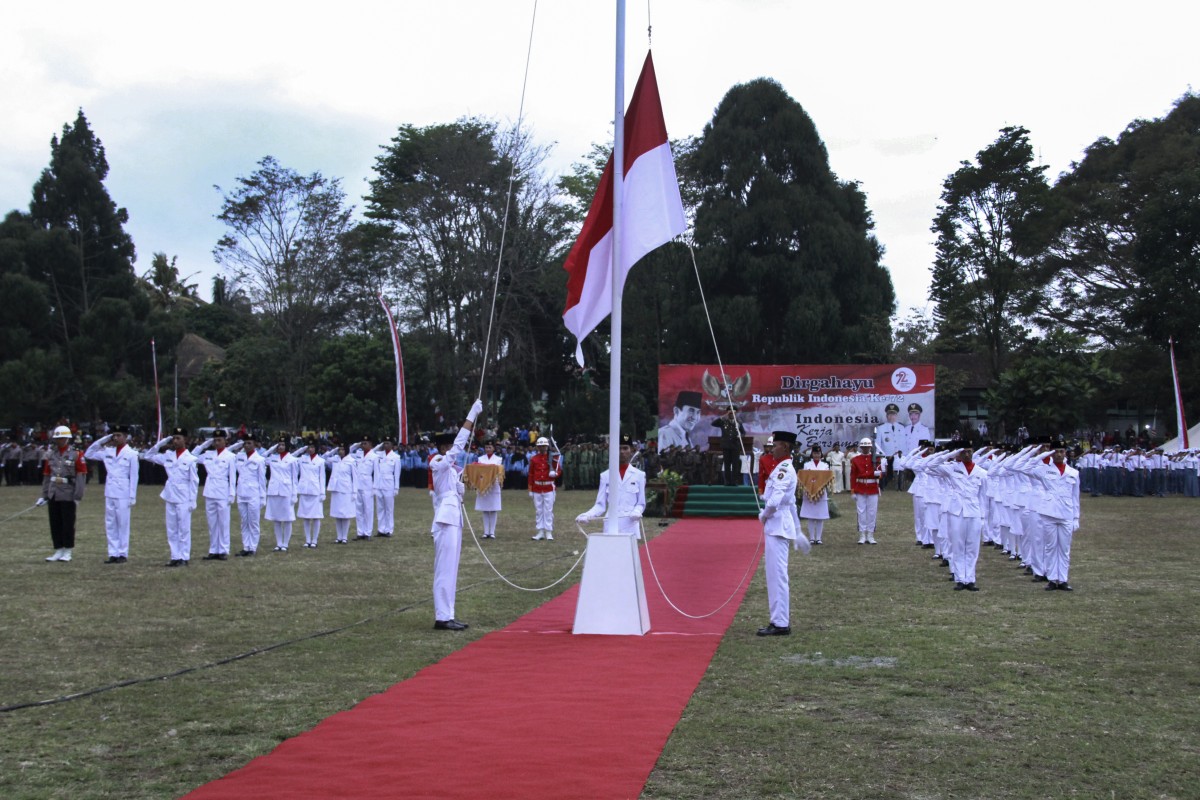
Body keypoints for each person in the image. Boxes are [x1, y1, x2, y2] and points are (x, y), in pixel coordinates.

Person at [429, 399, 483, 631]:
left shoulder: (451, 469)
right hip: (445, 520)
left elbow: (455, 489)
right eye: (448, 447)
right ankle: (442, 616)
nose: (452, 450)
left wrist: (459, 488)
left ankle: (448, 614)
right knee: (444, 569)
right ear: (442, 449)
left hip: (453, 518)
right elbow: (459, 446)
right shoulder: (438, 462)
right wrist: (471, 415)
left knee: (451, 569)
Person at [756, 430, 808, 636]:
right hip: (780, 525)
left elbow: (776, 502)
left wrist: (764, 515)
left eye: (775, 445)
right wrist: (798, 530)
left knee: (777, 576)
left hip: (776, 526)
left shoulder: (784, 468)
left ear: (785, 447)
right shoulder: (783, 467)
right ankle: (778, 620)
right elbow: (791, 503)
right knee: (776, 575)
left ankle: (780, 622)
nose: (772, 448)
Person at [141, 427, 200, 567]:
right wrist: (160, 443)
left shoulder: (191, 459)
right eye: (173, 438)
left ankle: (184, 557)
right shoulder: (168, 455)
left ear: (186, 440)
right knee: (172, 528)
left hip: (184, 496)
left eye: (178, 438)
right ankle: (175, 556)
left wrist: (193, 500)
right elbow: (148, 456)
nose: (175, 441)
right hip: (170, 495)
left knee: (184, 528)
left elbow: (194, 481)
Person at [932, 448, 988, 591]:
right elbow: (931, 464)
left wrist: (982, 517)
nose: (967, 455)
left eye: (969, 451)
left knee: (972, 547)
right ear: (959, 454)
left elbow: (983, 497)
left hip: (974, 512)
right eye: (964, 452)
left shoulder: (981, 472)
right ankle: (959, 578)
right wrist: (951, 453)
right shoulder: (952, 469)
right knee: (957, 546)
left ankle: (970, 579)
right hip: (956, 512)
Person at [83, 425, 139, 563]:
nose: (116, 438)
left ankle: (122, 553)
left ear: (126, 437)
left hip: (123, 492)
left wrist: (132, 495)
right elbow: (88, 453)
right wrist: (104, 439)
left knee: (123, 523)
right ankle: (113, 553)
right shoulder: (108, 451)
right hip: (110, 491)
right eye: (114, 435)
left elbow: (134, 476)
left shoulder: (132, 454)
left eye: (119, 435)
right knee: (110, 523)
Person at [576, 433, 647, 536]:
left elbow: (641, 503)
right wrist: (588, 515)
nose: (622, 452)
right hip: (611, 524)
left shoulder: (639, 475)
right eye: (619, 448)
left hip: (631, 524)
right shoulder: (605, 476)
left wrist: (637, 511)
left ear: (631, 450)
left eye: (625, 448)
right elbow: (600, 505)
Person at [39, 425, 88, 562]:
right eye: (58, 438)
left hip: (68, 492)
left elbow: (81, 475)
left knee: (67, 523)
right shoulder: (51, 453)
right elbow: (47, 475)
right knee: (55, 523)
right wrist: (44, 495)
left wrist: (78, 495)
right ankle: (58, 550)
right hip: (53, 492)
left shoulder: (76, 453)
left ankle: (67, 551)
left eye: (62, 438)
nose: (60, 441)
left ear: (67, 438)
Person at [192, 429, 238, 561]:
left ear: (225, 441)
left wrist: (232, 494)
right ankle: (213, 550)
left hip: (223, 492)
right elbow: (193, 455)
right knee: (212, 523)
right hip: (210, 491)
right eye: (215, 440)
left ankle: (223, 550)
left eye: (219, 440)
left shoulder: (230, 456)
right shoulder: (208, 454)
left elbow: (232, 477)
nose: (217, 443)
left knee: (223, 522)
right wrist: (205, 444)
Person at [262, 436, 299, 552]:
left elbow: (295, 479)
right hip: (274, 491)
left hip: (286, 491)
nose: (280, 447)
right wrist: (272, 448)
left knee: (287, 518)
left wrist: (294, 494)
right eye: (279, 445)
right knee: (276, 518)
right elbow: (262, 457)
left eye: (283, 445)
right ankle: (279, 543)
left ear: (287, 446)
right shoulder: (272, 458)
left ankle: (285, 543)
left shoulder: (292, 460)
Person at [233, 436, 267, 556]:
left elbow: (262, 480)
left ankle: (252, 547)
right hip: (242, 492)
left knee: (253, 522)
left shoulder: (259, 459)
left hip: (254, 494)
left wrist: (263, 497)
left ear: (255, 444)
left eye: (249, 443)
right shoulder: (239, 457)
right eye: (245, 443)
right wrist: (238, 446)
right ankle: (246, 546)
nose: (246, 445)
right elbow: (228, 452)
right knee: (244, 522)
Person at [849, 437, 884, 544]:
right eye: (863, 447)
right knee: (861, 512)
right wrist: (853, 490)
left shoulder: (876, 458)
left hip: (872, 487)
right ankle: (862, 534)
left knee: (872, 512)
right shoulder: (855, 460)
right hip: (860, 487)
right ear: (861, 447)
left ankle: (870, 534)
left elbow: (881, 473)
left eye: (867, 447)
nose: (865, 449)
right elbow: (853, 476)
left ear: (870, 447)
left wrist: (879, 474)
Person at [528, 436, 561, 540]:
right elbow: (531, 474)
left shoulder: (552, 457)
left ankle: (548, 531)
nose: (542, 448)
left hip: (549, 487)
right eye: (540, 446)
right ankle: (540, 531)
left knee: (548, 510)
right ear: (538, 447)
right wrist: (530, 489)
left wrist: (554, 474)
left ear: (547, 446)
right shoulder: (534, 459)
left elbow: (558, 470)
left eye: (544, 446)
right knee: (538, 510)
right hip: (537, 487)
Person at [296, 438, 327, 548]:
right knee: (306, 517)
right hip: (304, 490)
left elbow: (322, 478)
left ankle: (314, 540)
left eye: (313, 447)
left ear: (316, 448)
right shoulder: (302, 459)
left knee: (316, 516)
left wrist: (323, 493)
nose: (310, 449)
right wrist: (301, 449)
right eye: (309, 447)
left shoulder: (320, 461)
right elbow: (292, 456)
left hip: (315, 490)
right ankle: (307, 539)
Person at [798, 443, 831, 545]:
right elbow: (805, 478)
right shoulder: (807, 465)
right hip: (809, 492)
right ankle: (812, 537)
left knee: (820, 516)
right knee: (811, 516)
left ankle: (819, 538)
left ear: (821, 454)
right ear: (812, 454)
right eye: (815, 453)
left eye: (818, 453)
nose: (817, 455)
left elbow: (826, 478)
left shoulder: (825, 465)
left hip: (821, 493)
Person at [370, 436, 402, 538]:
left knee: (389, 508)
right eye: (384, 443)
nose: (386, 445)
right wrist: (379, 445)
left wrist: (396, 488)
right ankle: (381, 529)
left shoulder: (396, 457)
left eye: (388, 443)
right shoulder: (379, 455)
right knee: (380, 508)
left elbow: (397, 473)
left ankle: (389, 530)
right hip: (379, 484)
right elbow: (372, 451)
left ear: (392, 445)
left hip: (389, 484)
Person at [327, 444, 359, 544]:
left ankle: (344, 536)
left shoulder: (351, 461)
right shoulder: (335, 459)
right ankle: (339, 536)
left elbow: (355, 478)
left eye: (342, 449)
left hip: (346, 490)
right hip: (336, 489)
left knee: (345, 514)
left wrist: (354, 492)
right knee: (337, 514)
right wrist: (333, 450)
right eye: (339, 449)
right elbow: (324, 458)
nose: (340, 451)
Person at [473, 440, 504, 539]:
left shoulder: (498, 459)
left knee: (494, 509)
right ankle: (486, 531)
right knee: (485, 509)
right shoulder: (480, 459)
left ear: (494, 448)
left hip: (494, 485)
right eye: (486, 447)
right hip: (483, 485)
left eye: (490, 447)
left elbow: (498, 471)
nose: (488, 449)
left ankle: (492, 532)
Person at [348, 436, 377, 540]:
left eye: (366, 443)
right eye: (363, 443)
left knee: (368, 509)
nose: (364, 445)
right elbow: (349, 451)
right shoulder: (358, 454)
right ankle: (360, 532)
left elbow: (376, 474)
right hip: (358, 484)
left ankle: (368, 532)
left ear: (370, 444)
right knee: (358, 510)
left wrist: (375, 487)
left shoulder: (374, 456)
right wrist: (357, 444)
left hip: (368, 484)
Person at [874, 403, 906, 490]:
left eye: (894, 414)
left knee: (899, 473)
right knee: (885, 473)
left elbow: (904, 443)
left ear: (896, 415)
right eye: (890, 414)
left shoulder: (902, 427)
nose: (892, 416)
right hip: (887, 455)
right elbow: (878, 443)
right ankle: (885, 487)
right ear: (887, 415)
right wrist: (880, 455)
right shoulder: (881, 428)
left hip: (898, 456)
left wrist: (903, 455)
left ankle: (898, 487)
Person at [712, 408, 745, 486]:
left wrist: (740, 435)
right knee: (727, 464)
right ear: (727, 413)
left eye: (733, 413)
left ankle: (734, 481)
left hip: (735, 446)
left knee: (735, 464)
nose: (731, 415)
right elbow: (713, 423)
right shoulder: (723, 422)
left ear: (735, 414)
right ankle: (727, 481)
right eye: (730, 413)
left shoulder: (738, 423)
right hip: (726, 446)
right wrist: (724, 416)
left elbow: (743, 432)